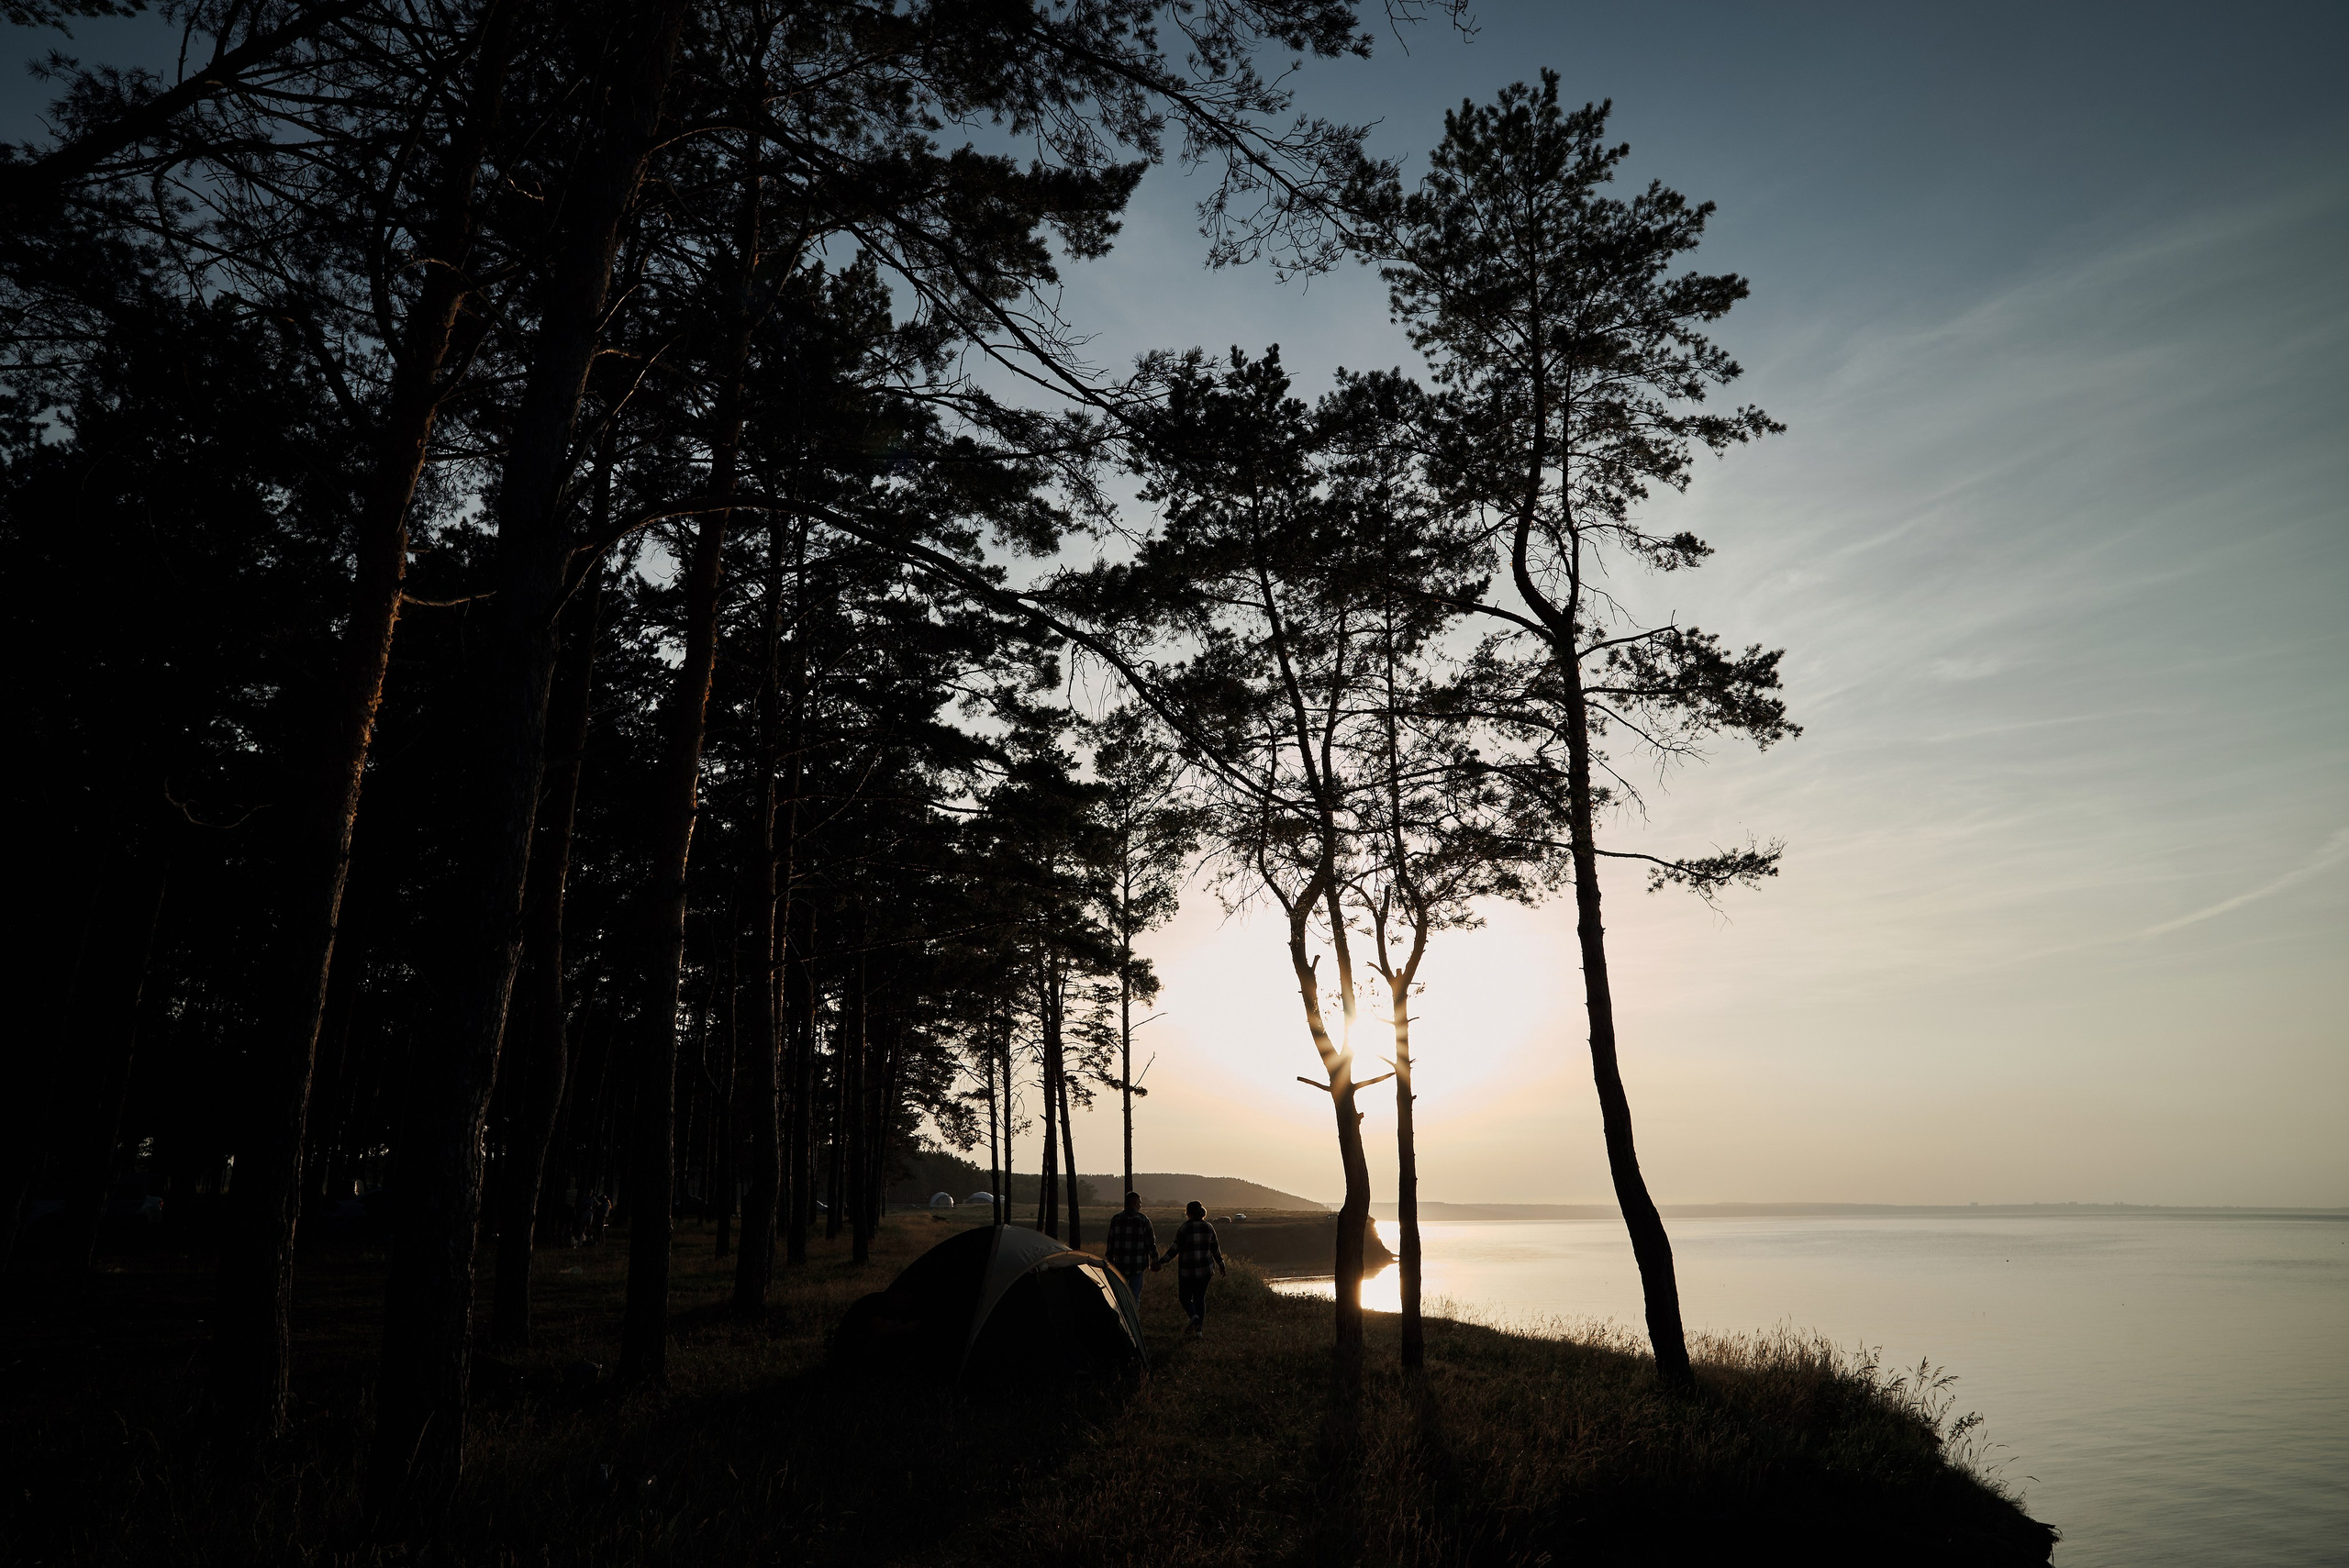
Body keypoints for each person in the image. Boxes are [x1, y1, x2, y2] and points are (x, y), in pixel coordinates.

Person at [1158, 1200, 1226, 1336]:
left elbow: (1175, 1248)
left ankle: (1193, 1316)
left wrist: (1161, 1261)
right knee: (1200, 1298)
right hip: (1205, 1270)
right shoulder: (1209, 1227)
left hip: (1187, 1271)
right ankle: (1198, 1331)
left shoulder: (1184, 1228)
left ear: (1188, 1213)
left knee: (1184, 1297)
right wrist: (1221, 1264)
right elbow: (1215, 1249)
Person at [1105, 1191, 1158, 1296]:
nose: (1140, 1205)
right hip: (1137, 1264)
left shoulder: (1116, 1219)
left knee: (1119, 1294)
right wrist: (1155, 1259)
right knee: (1135, 1296)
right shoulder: (1143, 1220)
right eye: (1139, 1203)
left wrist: (1110, 1259)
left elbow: (1110, 1241)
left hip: (1119, 1263)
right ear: (1134, 1203)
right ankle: (1133, 1312)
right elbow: (1150, 1243)